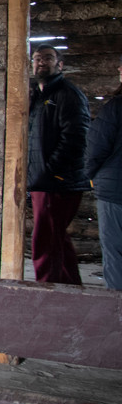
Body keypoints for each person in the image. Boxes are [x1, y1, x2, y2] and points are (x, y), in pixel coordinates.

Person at [27, 44, 89, 285]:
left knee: (44, 240)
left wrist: (48, 171)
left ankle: (45, 290)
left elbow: (75, 139)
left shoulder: (67, 94)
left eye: (48, 58)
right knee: (56, 238)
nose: (41, 62)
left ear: (60, 64)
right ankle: (71, 287)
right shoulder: (39, 96)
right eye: (37, 58)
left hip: (57, 182)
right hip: (44, 180)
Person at [85, 56, 122, 290]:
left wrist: (88, 177)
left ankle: (116, 314)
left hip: (115, 193)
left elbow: (95, 149)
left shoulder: (116, 107)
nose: (119, 68)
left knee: (116, 255)